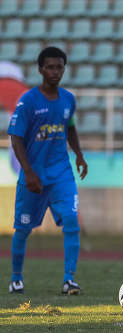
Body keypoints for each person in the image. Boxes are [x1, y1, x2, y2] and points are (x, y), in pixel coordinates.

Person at [7, 47, 88, 295]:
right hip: (34, 176)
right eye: (50, 67)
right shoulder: (28, 101)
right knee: (22, 229)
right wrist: (28, 172)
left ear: (64, 69)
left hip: (62, 173)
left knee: (72, 223)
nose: (55, 72)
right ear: (40, 69)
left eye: (59, 67)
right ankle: (16, 278)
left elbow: (70, 127)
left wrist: (79, 154)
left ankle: (69, 280)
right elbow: (16, 137)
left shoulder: (68, 99)